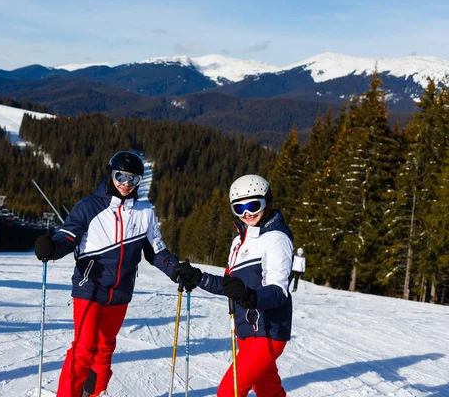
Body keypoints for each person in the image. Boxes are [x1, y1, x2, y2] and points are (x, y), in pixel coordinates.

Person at [34, 151, 182, 397]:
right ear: (111, 174)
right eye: (121, 177)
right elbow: (68, 237)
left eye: (133, 179)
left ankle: (95, 393)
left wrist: (176, 270)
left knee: (104, 349)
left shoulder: (145, 213)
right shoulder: (90, 206)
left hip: (121, 293)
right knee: (84, 349)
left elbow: (157, 252)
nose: (126, 184)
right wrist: (51, 248)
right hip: (90, 288)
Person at [173, 174, 293, 397]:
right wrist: (198, 277)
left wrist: (251, 297)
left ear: (267, 201)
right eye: (240, 208)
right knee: (268, 390)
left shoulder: (277, 238)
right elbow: (229, 285)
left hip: (268, 331)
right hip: (247, 331)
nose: (247, 214)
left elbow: (279, 292)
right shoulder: (239, 241)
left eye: (253, 205)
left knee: (230, 391)